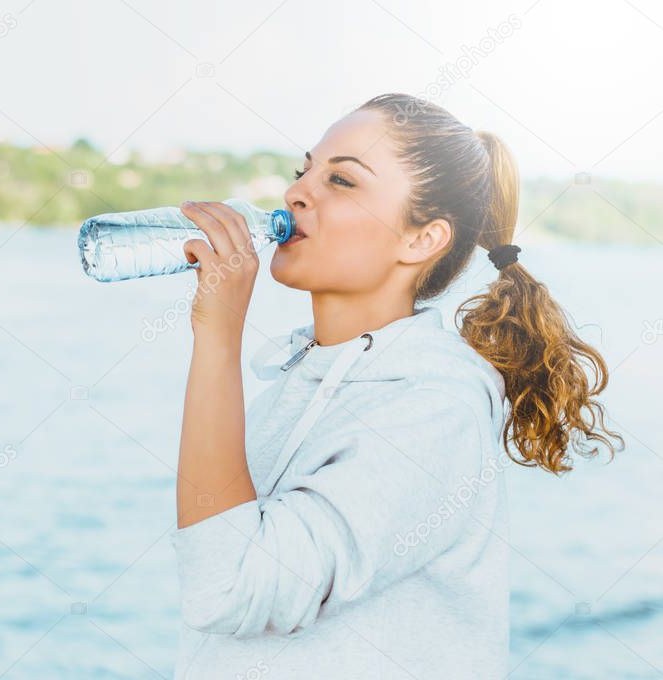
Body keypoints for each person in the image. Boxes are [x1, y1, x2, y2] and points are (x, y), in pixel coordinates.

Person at [170, 92, 624, 679]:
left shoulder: (435, 406)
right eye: (303, 169)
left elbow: (228, 586)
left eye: (343, 181)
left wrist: (218, 335)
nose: (296, 191)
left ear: (422, 239)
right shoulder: (295, 380)